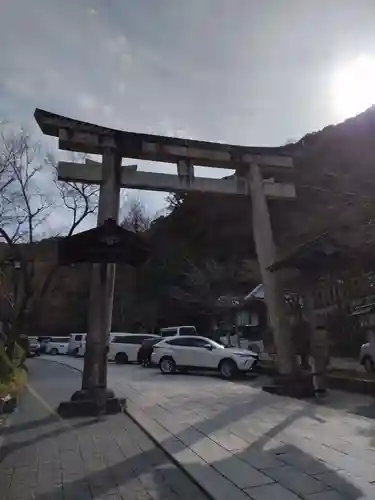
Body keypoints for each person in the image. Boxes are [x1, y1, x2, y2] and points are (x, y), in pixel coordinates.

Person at [311, 323, 330, 396]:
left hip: (316, 353)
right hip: (324, 353)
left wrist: (312, 352)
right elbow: (327, 344)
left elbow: (312, 344)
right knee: (323, 371)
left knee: (317, 370)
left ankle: (318, 386)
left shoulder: (314, 334)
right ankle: (323, 387)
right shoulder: (326, 334)